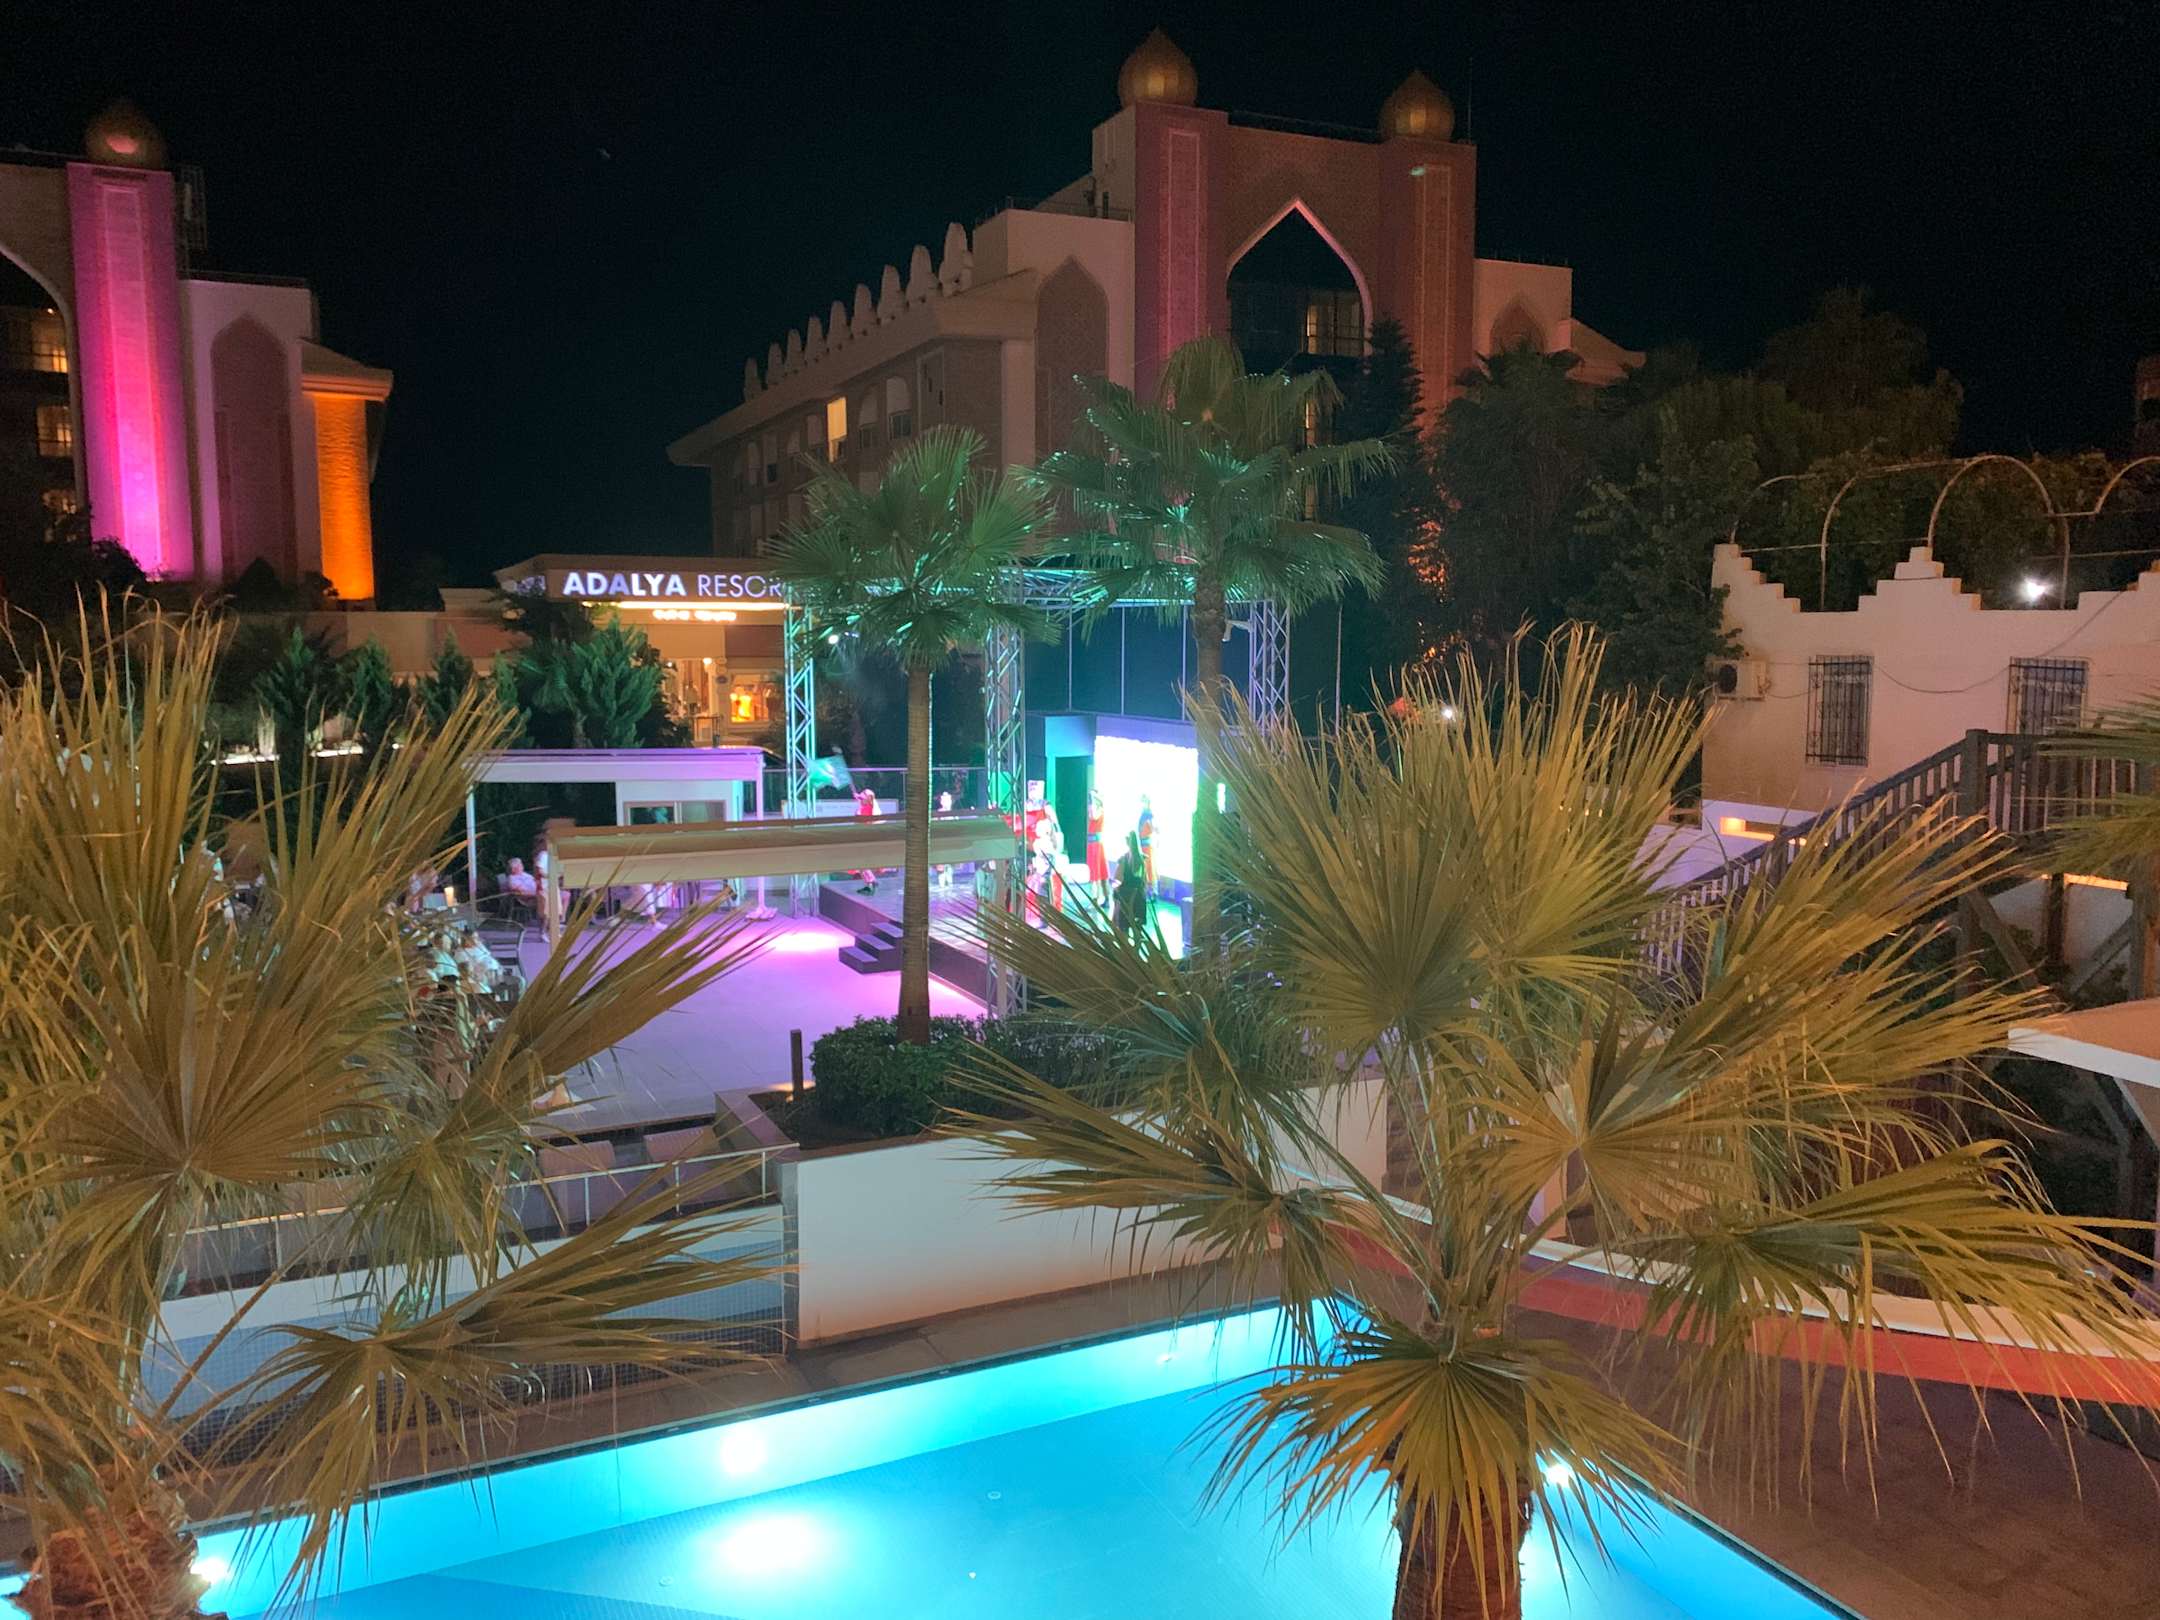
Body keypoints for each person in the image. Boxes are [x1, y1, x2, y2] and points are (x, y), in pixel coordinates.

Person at [1111, 833, 1148, 938]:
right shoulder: (1142, 859)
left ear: (1127, 843)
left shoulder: (1124, 859)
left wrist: (1115, 887)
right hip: (1139, 897)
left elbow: (1118, 877)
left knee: (1124, 928)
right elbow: (1145, 880)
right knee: (1138, 930)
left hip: (1126, 897)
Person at [1084, 789, 1110, 904]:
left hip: (1097, 845)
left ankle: (1099, 898)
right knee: (1096, 872)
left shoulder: (1100, 810)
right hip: (1092, 845)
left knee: (1099, 872)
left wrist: (1094, 800)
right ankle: (1101, 898)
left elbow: (1094, 816)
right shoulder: (1093, 809)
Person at [853, 786, 881, 893]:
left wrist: (860, 800)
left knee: (862, 862)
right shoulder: (866, 806)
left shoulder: (870, 808)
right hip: (863, 838)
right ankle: (871, 882)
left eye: (863, 798)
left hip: (866, 838)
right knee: (861, 863)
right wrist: (859, 799)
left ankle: (871, 883)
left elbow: (860, 818)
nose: (861, 799)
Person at [1135, 797, 1156, 897]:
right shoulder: (1143, 815)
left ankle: (1152, 891)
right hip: (1142, 844)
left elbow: (1154, 828)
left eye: (1144, 802)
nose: (1142, 804)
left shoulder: (1149, 815)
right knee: (1145, 867)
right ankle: (1147, 890)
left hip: (1147, 845)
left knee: (1149, 867)